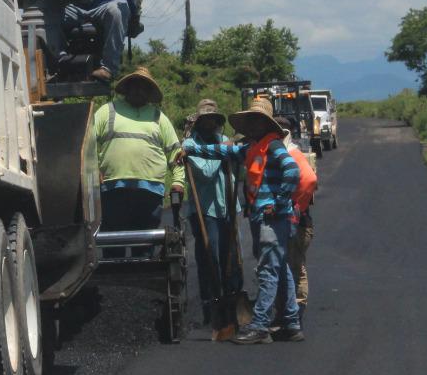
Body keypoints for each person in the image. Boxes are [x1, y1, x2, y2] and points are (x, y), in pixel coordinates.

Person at [183, 96, 303, 344]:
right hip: (263, 217)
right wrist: (189, 148)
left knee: (268, 270)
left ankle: (259, 325)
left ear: (267, 125)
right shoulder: (251, 148)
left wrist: (279, 202)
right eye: (252, 121)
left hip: (273, 218)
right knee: (279, 269)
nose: (254, 125)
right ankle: (291, 322)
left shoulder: (273, 146)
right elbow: (222, 151)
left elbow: (292, 171)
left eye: (259, 121)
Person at [92, 67, 184, 238]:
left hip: (150, 191)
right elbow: (88, 142)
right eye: (135, 86)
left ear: (149, 92)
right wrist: (93, 169)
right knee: (113, 243)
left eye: (144, 87)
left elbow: (176, 154)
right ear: (127, 88)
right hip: (113, 190)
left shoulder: (158, 116)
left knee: (146, 243)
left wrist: (178, 182)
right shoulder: (108, 111)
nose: (138, 90)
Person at [180, 99, 239, 325]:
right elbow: (206, 172)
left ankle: (232, 300)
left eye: (213, 119)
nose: (209, 124)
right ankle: (210, 302)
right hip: (205, 210)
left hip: (229, 206)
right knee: (209, 257)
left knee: (231, 255)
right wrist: (222, 152)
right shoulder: (189, 145)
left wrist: (228, 149)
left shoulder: (224, 140)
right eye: (205, 120)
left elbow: (239, 158)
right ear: (199, 122)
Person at [279, 117, 319, 311]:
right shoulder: (291, 152)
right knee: (295, 265)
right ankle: (292, 309)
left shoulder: (291, 154)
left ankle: (296, 310)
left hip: (298, 221)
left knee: (295, 266)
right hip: (300, 219)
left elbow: (311, 180)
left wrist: (295, 206)